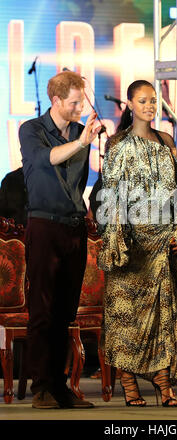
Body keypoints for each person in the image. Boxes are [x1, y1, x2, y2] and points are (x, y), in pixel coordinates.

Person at [97, 80, 177, 407]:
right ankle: (129, 384)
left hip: (164, 244)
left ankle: (164, 384)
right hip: (129, 245)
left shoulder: (166, 141)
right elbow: (109, 196)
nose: (150, 106)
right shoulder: (117, 144)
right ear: (130, 104)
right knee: (127, 316)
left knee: (164, 317)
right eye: (143, 100)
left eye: (154, 101)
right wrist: (116, 242)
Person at [19, 71, 101, 409]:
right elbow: (44, 160)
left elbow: (79, 181)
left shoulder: (83, 133)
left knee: (66, 312)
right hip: (44, 226)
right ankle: (41, 387)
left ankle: (61, 385)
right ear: (56, 101)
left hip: (73, 227)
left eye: (82, 102)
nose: (80, 108)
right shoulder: (32, 130)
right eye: (74, 103)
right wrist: (82, 143)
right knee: (42, 309)